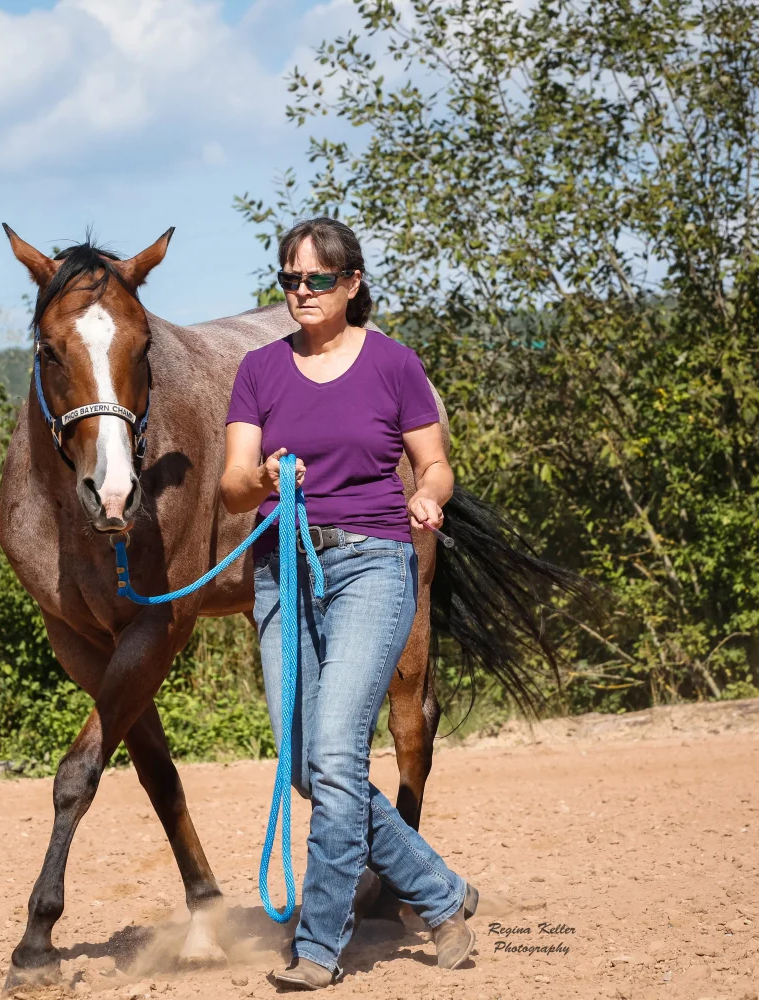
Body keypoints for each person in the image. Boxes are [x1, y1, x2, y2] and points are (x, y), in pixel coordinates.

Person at [220, 217, 478, 990]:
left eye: (317, 279)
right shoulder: (259, 370)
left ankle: (318, 947)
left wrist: (429, 497)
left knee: (335, 756)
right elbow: (231, 484)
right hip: (284, 571)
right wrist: (262, 478)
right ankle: (439, 891)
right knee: (308, 767)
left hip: (372, 565)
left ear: (352, 283)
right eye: (290, 279)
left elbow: (435, 465)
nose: (301, 291)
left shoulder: (394, 364)